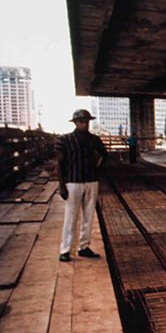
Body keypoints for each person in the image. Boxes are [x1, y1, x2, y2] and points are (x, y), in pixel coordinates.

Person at [55, 109, 108, 262]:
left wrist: (98, 169)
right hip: (73, 182)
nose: (84, 124)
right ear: (75, 123)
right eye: (81, 122)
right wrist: (62, 185)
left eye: (86, 121)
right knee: (71, 217)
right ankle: (65, 250)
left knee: (88, 216)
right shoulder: (64, 140)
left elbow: (105, 154)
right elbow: (59, 163)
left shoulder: (94, 140)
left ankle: (84, 247)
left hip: (91, 182)